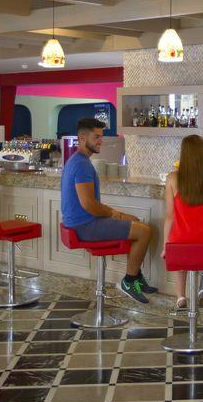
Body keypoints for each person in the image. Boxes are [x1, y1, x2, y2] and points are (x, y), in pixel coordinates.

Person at [61, 117, 157, 303]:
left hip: (79, 223)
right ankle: (129, 281)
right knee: (145, 231)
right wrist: (116, 214)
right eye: (96, 137)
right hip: (84, 226)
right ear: (82, 138)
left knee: (136, 221)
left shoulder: (76, 160)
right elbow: (89, 204)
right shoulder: (82, 165)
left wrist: (118, 215)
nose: (100, 141)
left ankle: (136, 277)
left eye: (101, 137)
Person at [162, 135, 203, 310]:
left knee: (180, 250)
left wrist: (166, 246)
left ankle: (181, 297)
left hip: (180, 244)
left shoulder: (172, 178)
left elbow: (169, 217)